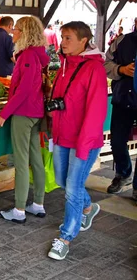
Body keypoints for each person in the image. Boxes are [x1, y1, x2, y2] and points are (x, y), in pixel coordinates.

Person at [47, 21, 107, 260]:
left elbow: (96, 110)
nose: (63, 42)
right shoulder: (64, 65)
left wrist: (85, 143)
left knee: (72, 187)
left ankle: (65, 237)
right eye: (62, 37)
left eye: (68, 38)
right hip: (63, 134)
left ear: (84, 41)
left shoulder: (95, 69)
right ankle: (88, 207)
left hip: (84, 139)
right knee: (63, 180)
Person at [0, 16, 50, 224]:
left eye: (16, 30)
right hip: (36, 112)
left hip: (24, 113)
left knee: (21, 161)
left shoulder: (27, 56)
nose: (13, 33)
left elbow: (24, 90)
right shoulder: (38, 54)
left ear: (25, 33)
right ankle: (38, 204)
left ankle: (19, 209)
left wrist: (4, 113)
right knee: (36, 160)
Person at [104, 17, 137, 199]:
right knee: (117, 141)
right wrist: (121, 70)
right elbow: (105, 64)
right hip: (123, 97)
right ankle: (123, 173)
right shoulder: (122, 41)